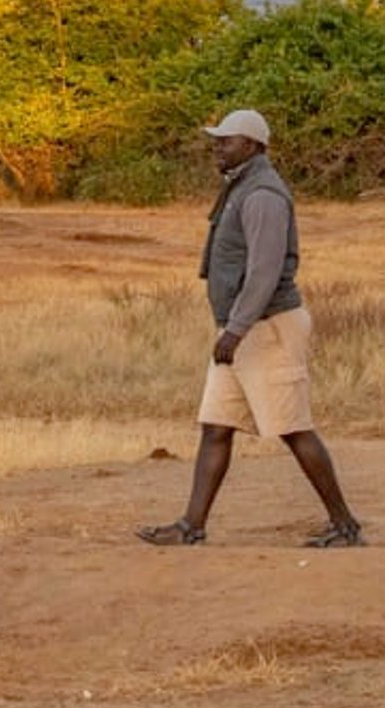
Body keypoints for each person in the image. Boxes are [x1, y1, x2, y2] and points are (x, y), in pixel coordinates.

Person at [139, 109, 368, 547]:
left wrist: (235, 330)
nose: (217, 147)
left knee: (294, 427)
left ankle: (346, 527)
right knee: (216, 425)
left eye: (226, 141)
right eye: (217, 140)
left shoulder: (262, 194)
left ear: (253, 146)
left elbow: (263, 272)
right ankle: (191, 526)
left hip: (265, 328)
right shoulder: (242, 187)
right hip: (243, 330)